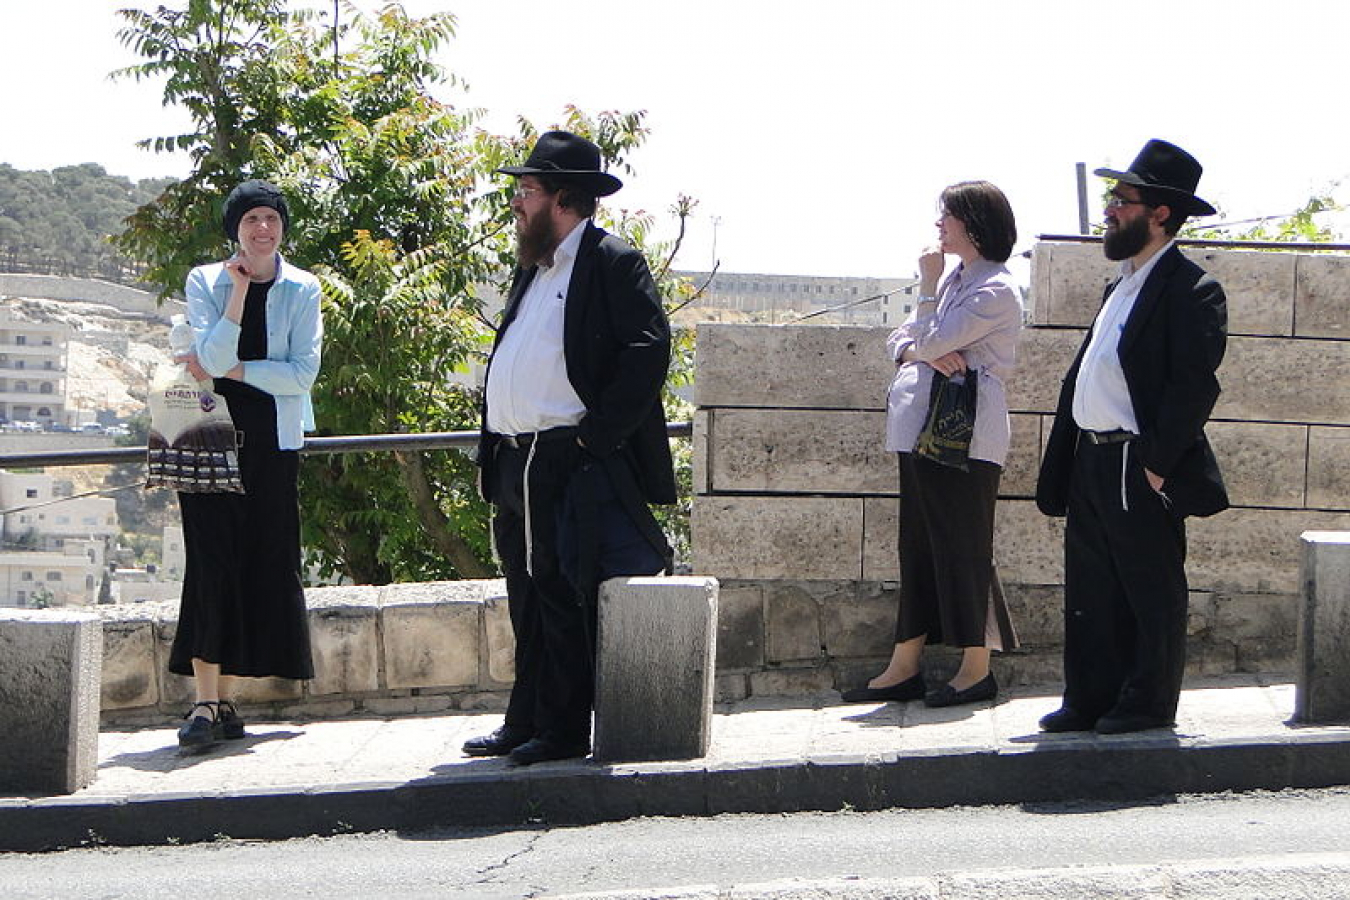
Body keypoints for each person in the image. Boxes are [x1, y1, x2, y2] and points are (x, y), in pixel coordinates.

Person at [462, 131, 676, 766]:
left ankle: (561, 730)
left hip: (562, 456)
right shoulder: (536, 265)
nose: (517, 204)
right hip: (512, 457)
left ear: (562, 198)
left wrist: (592, 436)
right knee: (525, 591)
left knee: (560, 590)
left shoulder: (612, 260)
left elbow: (647, 351)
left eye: (526, 192)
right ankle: (524, 718)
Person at [1035, 139, 1229, 735]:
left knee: (1148, 589)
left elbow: (1194, 387)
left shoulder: (1191, 289)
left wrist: (1156, 463)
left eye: (1123, 200)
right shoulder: (1119, 286)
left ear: (1161, 213)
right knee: (1091, 587)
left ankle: (1146, 703)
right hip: (1092, 459)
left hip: (1138, 461)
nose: (1111, 211)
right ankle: (1090, 698)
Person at [842, 181, 1021, 709]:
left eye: (947, 216)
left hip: (963, 437)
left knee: (964, 547)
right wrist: (915, 352)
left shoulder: (994, 289)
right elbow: (902, 339)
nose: (938, 225)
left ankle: (976, 667)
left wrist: (924, 297)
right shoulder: (957, 282)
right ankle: (906, 663)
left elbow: (929, 339)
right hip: (921, 430)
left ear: (974, 223)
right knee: (917, 546)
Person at [169, 179, 324, 751]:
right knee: (211, 563)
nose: (262, 229)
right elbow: (207, 357)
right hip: (209, 437)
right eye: (251, 220)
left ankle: (226, 699)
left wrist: (234, 373)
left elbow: (301, 374)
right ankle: (205, 703)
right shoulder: (205, 281)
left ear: (282, 226)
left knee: (257, 562)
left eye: (271, 218)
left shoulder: (303, 287)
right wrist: (235, 296)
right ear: (235, 229)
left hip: (273, 444)